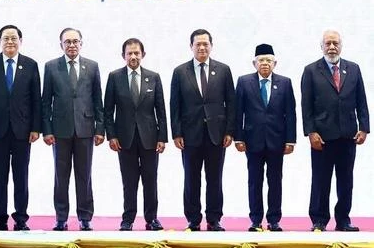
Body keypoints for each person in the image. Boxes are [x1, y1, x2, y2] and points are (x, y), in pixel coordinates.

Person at [301, 30, 369, 232]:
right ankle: (319, 220)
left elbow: (361, 101)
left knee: (346, 180)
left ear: (341, 45)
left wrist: (364, 127)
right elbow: (306, 106)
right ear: (321, 46)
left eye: (335, 43)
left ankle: (343, 220)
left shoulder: (353, 69)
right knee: (321, 180)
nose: (332, 47)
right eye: (328, 43)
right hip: (322, 136)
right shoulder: (311, 70)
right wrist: (311, 132)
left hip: (348, 135)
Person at [0, 24, 42, 231]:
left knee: (21, 176)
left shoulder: (30, 65)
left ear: (20, 41)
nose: (10, 42)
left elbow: (36, 100)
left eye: (14, 38)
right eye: (6, 38)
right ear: (0, 41)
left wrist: (35, 128)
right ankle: (0, 219)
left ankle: (21, 219)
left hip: (23, 131)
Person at [170, 29, 235, 231]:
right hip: (190, 135)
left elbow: (231, 103)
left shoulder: (223, 70)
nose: (202, 47)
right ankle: (193, 219)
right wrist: (177, 133)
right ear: (191, 47)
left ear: (211, 46)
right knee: (191, 178)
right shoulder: (180, 72)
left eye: (205, 44)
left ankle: (214, 219)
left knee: (215, 178)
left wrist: (229, 131)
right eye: (198, 44)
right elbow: (175, 105)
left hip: (217, 134)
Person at [42, 28, 104, 231]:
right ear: (61, 45)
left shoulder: (92, 67)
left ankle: (85, 217)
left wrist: (100, 129)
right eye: (67, 42)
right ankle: (61, 217)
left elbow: (97, 100)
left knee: (84, 175)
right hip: (60, 130)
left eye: (75, 41)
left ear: (81, 43)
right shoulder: (51, 67)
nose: (71, 45)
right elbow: (46, 102)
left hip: (86, 129)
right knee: (61, 176)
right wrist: (47, 130)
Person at [104, 37, 167, 232]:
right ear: (123, 56)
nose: (133, 56)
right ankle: (128, 219)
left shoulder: (153, 77)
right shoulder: (115, 77)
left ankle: (152, 218)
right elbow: (108, 111)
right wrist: (111, 136)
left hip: (149, 137)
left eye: (136, 53)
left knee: (150, 180)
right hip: (124, 139)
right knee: (129, 181)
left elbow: (161, 110)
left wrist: (162, 137)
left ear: (143, 55)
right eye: (129, 53)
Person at [233, 43, 296, 232]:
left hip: (277, 141)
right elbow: (238, 113)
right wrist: (238, 138)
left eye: (269, 60)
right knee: (254, 181)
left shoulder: (285, 83)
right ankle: (255, 220)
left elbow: (290, 113)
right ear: (254, 63)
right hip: (252, 141)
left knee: (275, 181)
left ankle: (274, 219)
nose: (265, 64)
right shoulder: (244, 82)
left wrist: (290, 140)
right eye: (261, 60)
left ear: (275, 63)